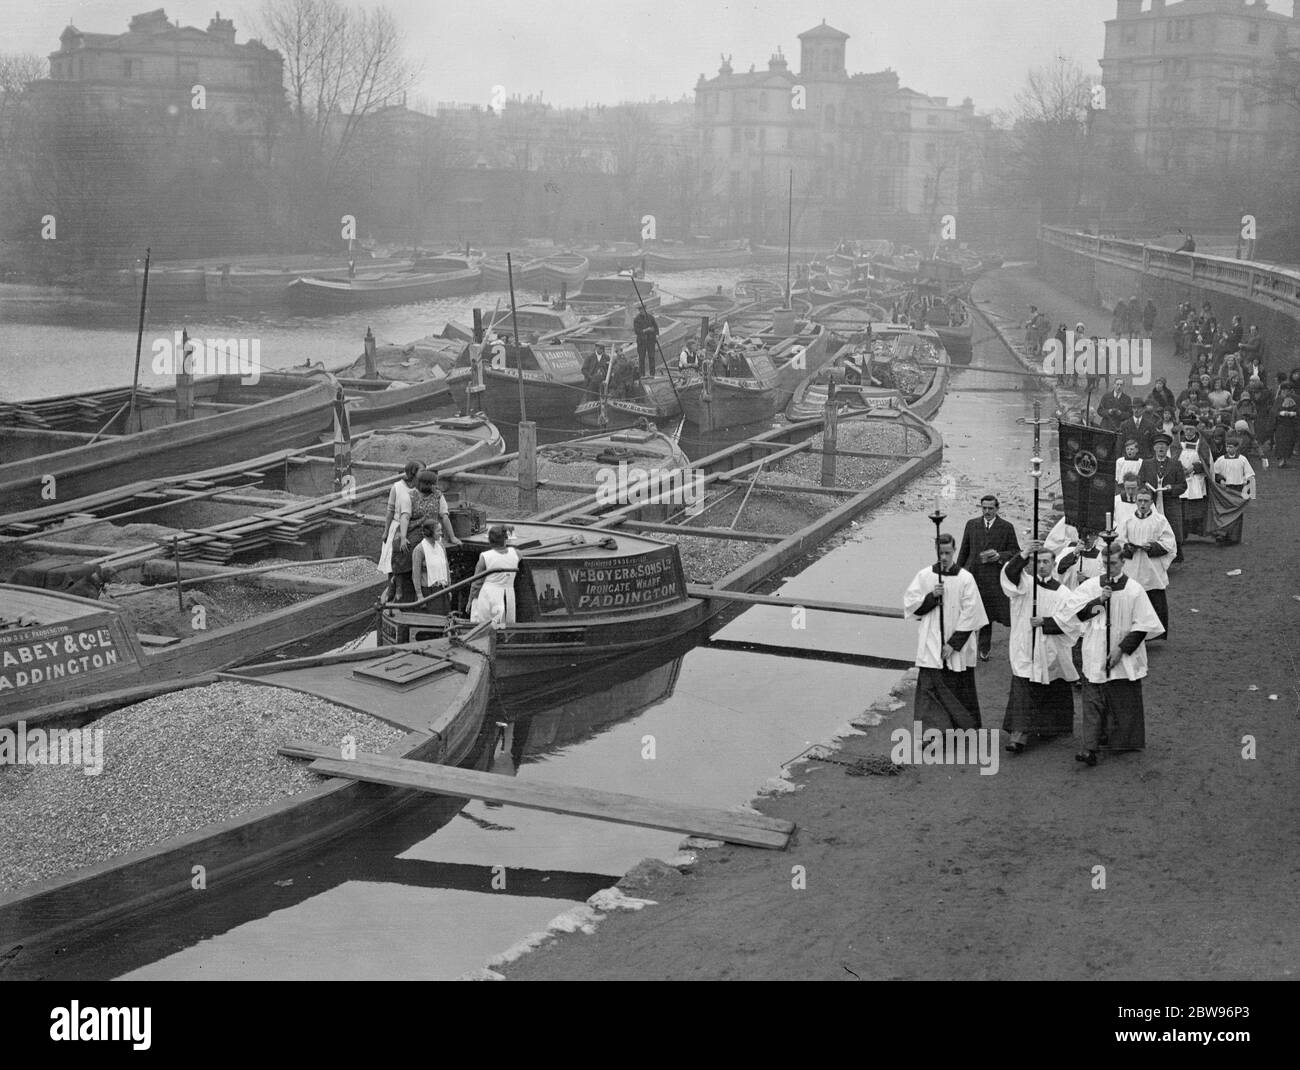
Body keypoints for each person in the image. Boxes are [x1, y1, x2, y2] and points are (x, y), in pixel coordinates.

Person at [1055, 541, 1164, 766]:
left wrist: (1121, 649)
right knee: (1092, 699)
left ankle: (1120, 740)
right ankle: (1089, 748)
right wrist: (1099, 602)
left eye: (1113, 563)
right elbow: (1077, 616)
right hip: (1095, 648)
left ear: (1123, 563)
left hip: (1123, 651)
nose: (1108, 568)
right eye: (1105, 563)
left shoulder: (1134, 589)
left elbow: (1143, 625)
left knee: (1121, 699)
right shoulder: (1091, 587)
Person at [903, 532, 989, 731]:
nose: (944, 557)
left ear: (955, 551)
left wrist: (953, 644)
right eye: (940, 553)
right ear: (936, 551)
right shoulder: (925, 575)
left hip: (958, 642)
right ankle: (931, 732)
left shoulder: (966, 578)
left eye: (948, 553)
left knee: (958, 688)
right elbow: (911, 605)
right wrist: (932, 596)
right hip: (931, 638)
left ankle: (962, 728)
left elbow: (972, 613)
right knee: (929, 688)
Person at [1000, 539, 1077, 753]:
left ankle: (1052, 728)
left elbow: (1072, 623)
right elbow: (1009, 575)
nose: (1042, 566)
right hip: (1025, 646)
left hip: (1050, 648)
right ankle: (1019, 735)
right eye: (1038, 562)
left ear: (1053, 565)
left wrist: (1046, 622)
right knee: (1024, 686)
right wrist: (1024, 553)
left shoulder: (1063, 593)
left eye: (1046, 562)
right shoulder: (1025, 585)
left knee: (1052, 685)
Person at [955, 494, 1021, 661]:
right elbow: (964, 550)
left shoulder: (1006, 527)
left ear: (997, 509)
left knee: (988, 614)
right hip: (974, 576)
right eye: (984, 508)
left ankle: (984, 648)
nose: (987, 511)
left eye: (990, 508)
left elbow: (1015, 552)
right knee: (969, 611)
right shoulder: (972, 525)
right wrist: (957, 574)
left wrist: (999, 555)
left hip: (994, 579)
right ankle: (963, 647)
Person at [1116, 488, 1176, 636]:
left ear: (1151, 502)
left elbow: (1169, 543)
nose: (1142, 504)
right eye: (1140, 500)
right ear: (1136, 501)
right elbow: (1119, 541)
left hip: (1151, 568)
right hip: (1133, 566)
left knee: (1154, 598)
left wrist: (1153, 547)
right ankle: (1131, 633)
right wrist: (1128, 548)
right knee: (1132, 598)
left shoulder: (1160, 520)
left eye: (1146, 501)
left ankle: (1153, 634)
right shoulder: (1127, 520)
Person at [1138, 431, 1187, 561]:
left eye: (1164, 446)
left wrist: (1171, 489)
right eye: (1158, 446)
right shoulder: (1146, 464)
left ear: (1167, 448)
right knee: (1153, 526)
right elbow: (1140, 482)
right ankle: (1152, 553)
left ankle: (1174, 554)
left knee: (1172, 527)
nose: (1161, 448)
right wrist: (1146, 489)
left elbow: (1183, 486)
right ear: (1154, 448)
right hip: (1152, 502)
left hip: (1170, 502)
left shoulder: (1176, 464)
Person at [377, 460, 420, 602]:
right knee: (392, 558)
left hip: (412, 525)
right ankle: (391, 588)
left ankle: (401, 589)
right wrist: (385, 530)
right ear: (413, 473)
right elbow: (390, 510)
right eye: (421, 471)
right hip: (397, 525)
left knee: (405, 558)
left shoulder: (420, 488)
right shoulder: (397, 487)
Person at [469, 525, 520, 628]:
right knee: (506, 624)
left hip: (489, 595)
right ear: (505, 539)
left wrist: (470, 601)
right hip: (508, 595)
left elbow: (476, 582)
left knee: (486, 626)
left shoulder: (485, 557)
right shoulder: (516, 553)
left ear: (490, 540)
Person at [1211, 437, 1256, 545]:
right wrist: (1220, 479)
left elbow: (1250, 475)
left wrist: (1250, 492)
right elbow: (1214, 472)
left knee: (1237, 513)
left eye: (1231, 447)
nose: (1228, 449)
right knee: (1224, 511)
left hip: (1238, 489)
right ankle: (1222, 534)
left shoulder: (1242, 460)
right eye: (1227, 446)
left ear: (1236, 448)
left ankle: (1234, 538)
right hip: (1225, 489)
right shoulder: (1221, 459)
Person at [410, 517, 451, 603]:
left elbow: (446, 568)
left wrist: (449, 588)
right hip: (428, 593)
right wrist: (419, 595)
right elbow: (416, 574)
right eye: (438, 531)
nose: (441, 533)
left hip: (442, 589)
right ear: (430, 532)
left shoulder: (441, 546)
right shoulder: (419, 550)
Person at [632, 307, 660, 379]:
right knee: (641, 358)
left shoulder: (651, 317)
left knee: (652, 357)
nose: (642, 311)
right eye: (640, 310)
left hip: (651, 341)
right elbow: (637, 331)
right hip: (641, 341)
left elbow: (656, 327)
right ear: (639, 310)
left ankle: (652, 374)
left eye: (643, 310)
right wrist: (646, 330)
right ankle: (642, 375)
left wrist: (656, 335)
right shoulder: (637, 319)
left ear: (645, 309)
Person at [1274, 386, 1297, 467]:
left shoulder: (1295, 399)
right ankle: (1281, 460)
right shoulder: (1279, 400)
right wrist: (1281, 413)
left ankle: (1286, 460)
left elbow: (1297, 410)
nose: (1285, 392)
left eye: (1287, 390)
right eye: (1284, 390)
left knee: (1289, 442)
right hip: (1281, 425)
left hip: (1291, 425)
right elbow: (1274, 411)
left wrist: (1293, 413)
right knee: (1281, 442)